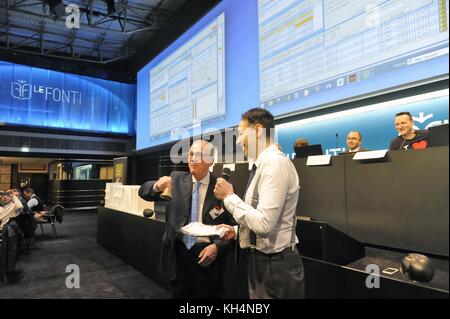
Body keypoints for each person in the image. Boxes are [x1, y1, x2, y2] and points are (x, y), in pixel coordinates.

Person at [214, 107, 305, 299]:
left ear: (258, 130)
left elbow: (264, 224)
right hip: (265, 262)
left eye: (240, 134)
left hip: (276, 266)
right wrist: (238, 231)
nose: (238, 141)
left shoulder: (275, 164)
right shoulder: (264, 165)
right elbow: (264, 220)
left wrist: (229, 197)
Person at [138, 140, 237, 299]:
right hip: (178, 254)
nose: (192, 159)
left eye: (197, 155)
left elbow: (234, 229)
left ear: (210, 160)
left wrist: (218, 247)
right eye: (190, 154)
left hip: (207, 257)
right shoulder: (176, 179)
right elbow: (143, 192)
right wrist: (157, 185)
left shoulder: (222, 188)